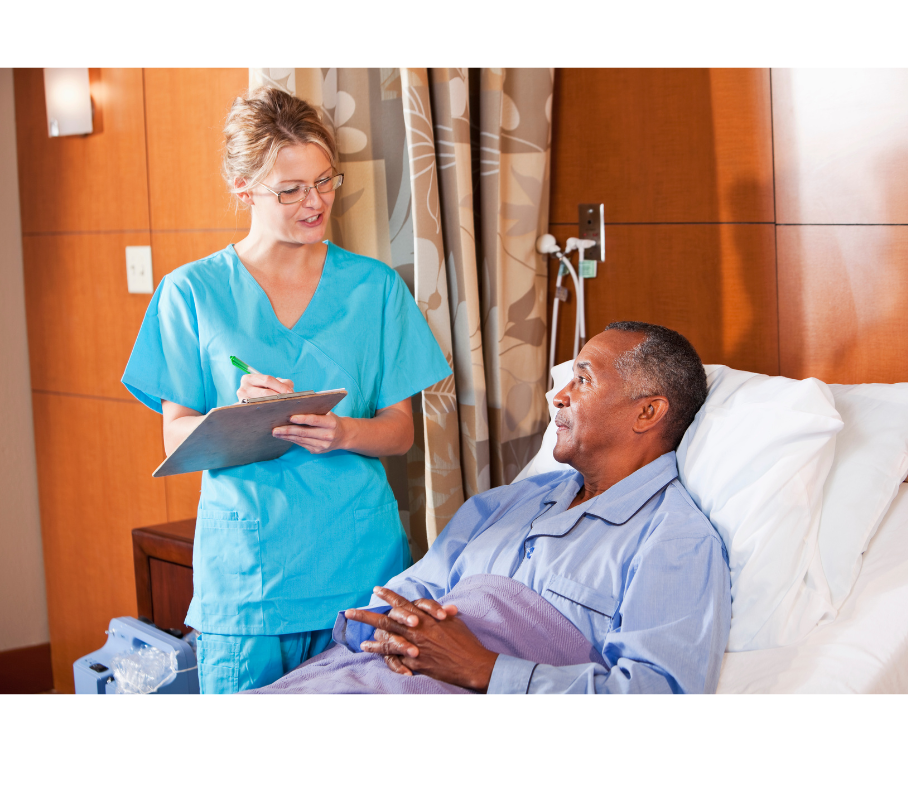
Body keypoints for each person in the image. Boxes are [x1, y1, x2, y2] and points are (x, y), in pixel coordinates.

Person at [121, 86, 452, 693]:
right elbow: (175, 433)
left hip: (358, 569)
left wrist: (344, 431)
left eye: (325, 181)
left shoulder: (375, 289)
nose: (315, 202)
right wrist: (235, 414)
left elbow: (400, 431)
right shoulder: (190, 292)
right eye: (292, 189)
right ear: (244, 189)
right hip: (248, 583)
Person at [256, 321, 731, 694]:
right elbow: (399, 598)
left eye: (582, 381)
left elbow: (657, 698)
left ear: (648, 412)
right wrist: (398, 637)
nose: (559, 396)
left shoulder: (674, 542)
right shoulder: (501, 506)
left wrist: (483, 669)